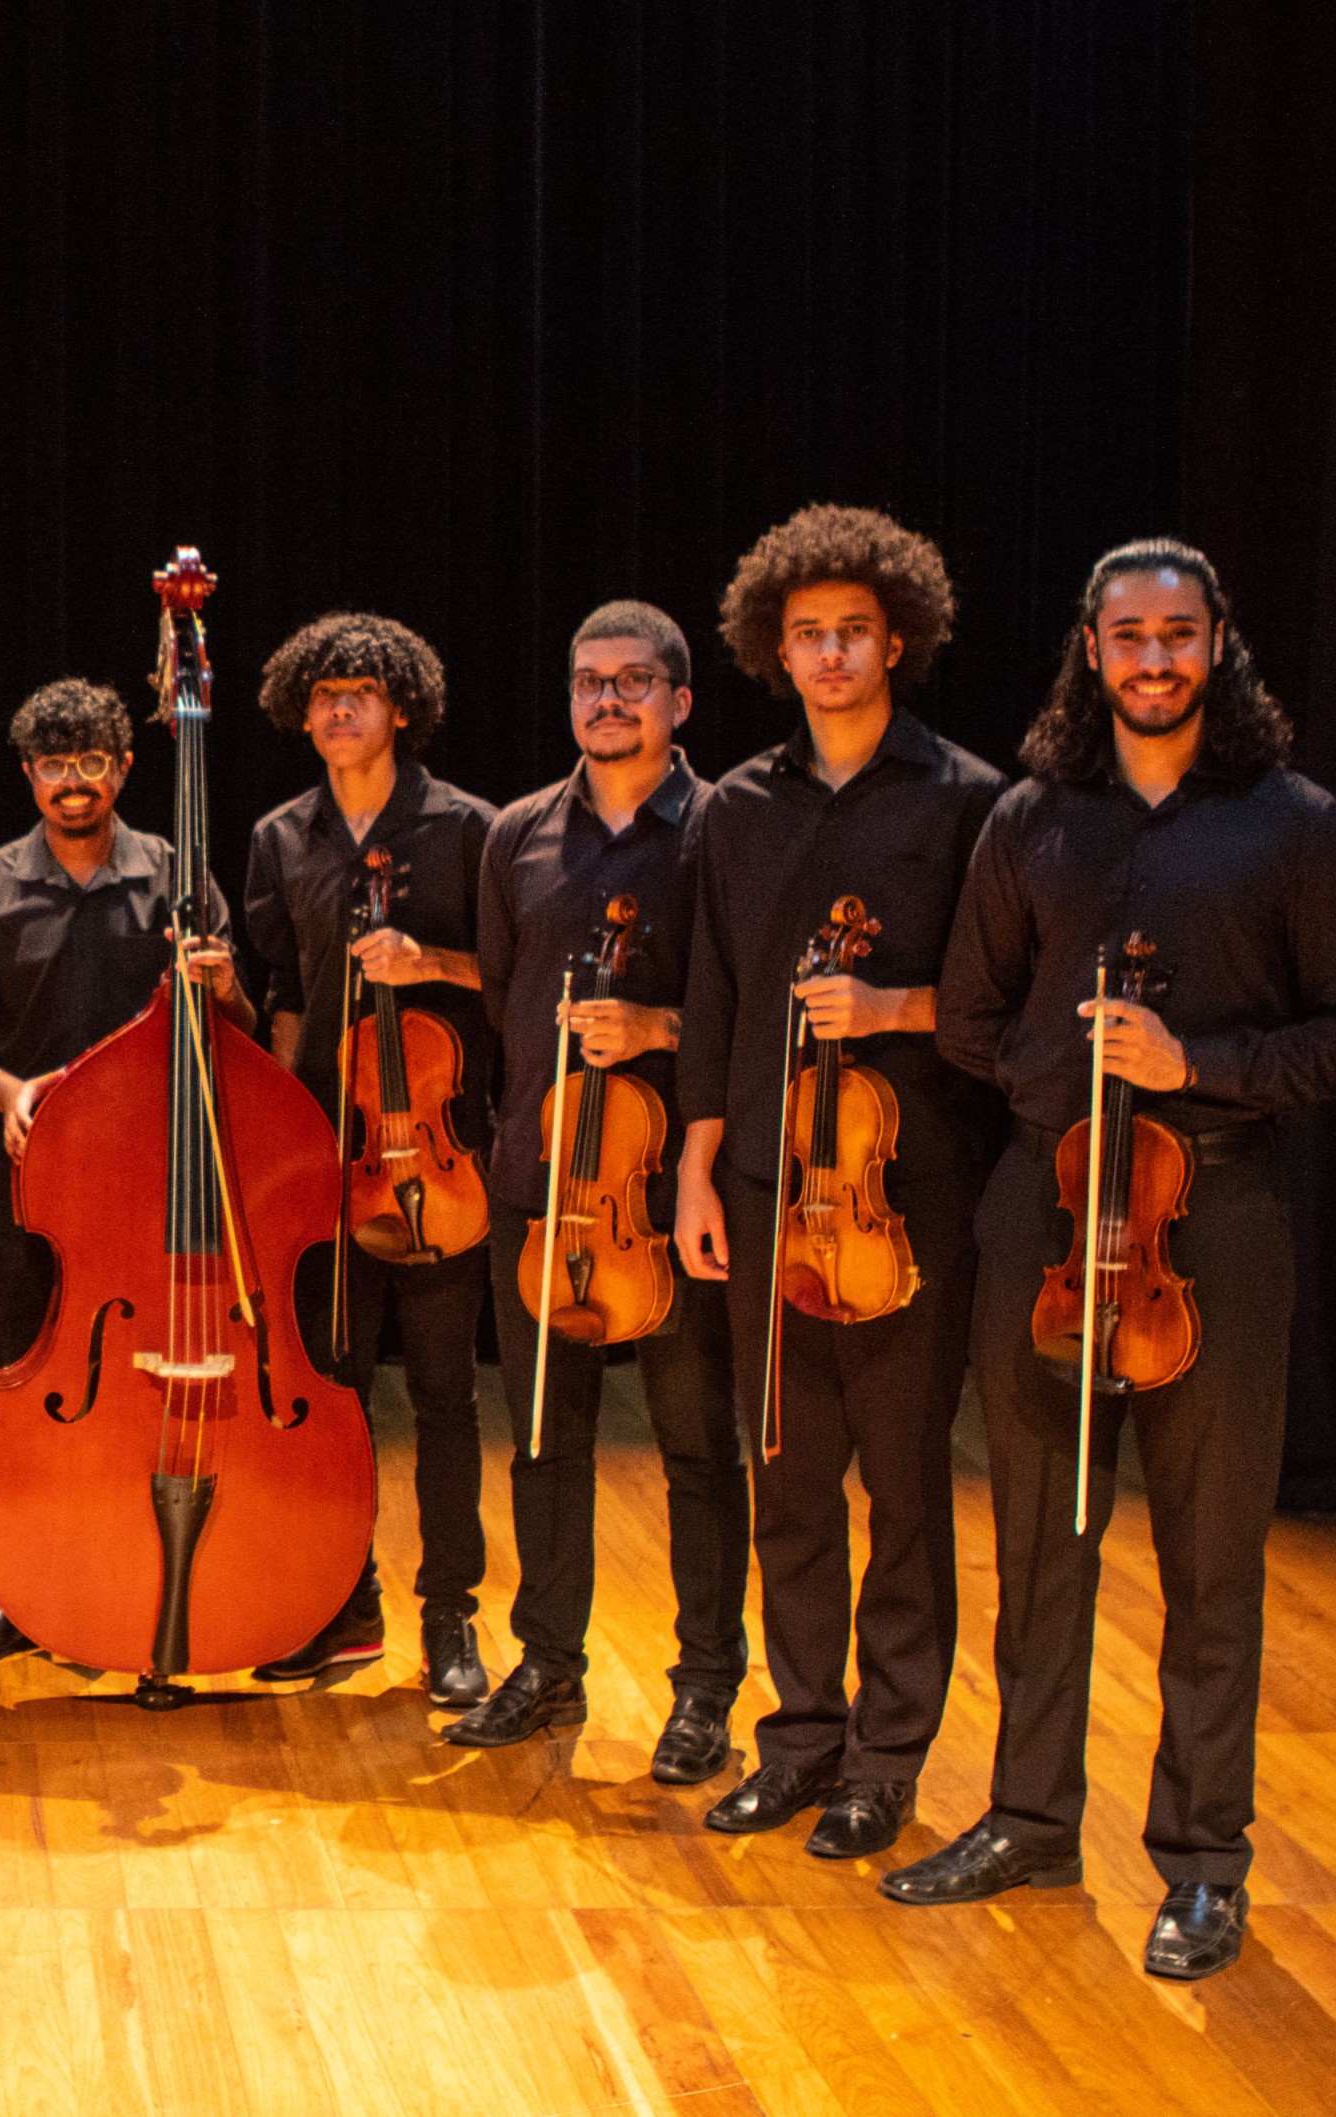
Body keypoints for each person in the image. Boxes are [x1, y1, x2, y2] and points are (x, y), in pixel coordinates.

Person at [892, 539, 1336, 1980]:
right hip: (1042, 1214)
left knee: (1208, 1555)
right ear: (1093, 649)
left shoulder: (1294, 824)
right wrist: (1069, 1085)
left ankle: (1203, 1862)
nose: (1156, 659)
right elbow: (971, 1019)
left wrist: (1200, 1062)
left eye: (1181, 634)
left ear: (1220, 642)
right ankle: (1031, 1816)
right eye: (1131, 636)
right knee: (1043, 1547)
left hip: (1216, 1226)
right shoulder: (1036, 816)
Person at [672, 504, 1004, 1859]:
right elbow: (710, 992)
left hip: (905, 1192)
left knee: (906, 1488)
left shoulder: (970, 799)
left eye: (853, 634)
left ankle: (888, 1757)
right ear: (774, 647)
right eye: (806, 636)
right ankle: (800, 1740)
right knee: (788, 1479)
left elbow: (997, 1000)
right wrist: (695, 1172)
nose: (829, 656)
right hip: (758, 1184)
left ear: (899, 639)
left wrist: (898, 1005)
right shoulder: (739, 807)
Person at [450, 602, 741, 1774]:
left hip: (669, 1192)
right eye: (587, 681)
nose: (606, 700)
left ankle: (705, 1682)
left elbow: (743, 1000)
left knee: (693, 1446)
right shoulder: (518, 831)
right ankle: (546, 1662)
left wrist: (659, 1025)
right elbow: (504, 996)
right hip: (540, 1179)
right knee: (540, 1438)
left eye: (632, 681)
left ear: (679, 699)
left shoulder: (726, 829)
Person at [0, 676, 247, 1666]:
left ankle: (129, 1560)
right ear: (28, 773)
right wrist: (11, 1091)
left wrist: (226, 983)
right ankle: (9, 1585)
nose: (72, 781)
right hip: (21, 1170)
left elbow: (232, 1038)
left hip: (155, 1178)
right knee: (20, 1370)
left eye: (91, 761)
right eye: (53, 764)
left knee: (135, 1377)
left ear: (123, 766)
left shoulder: (177, 876)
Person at [239, 612, 494, 1705]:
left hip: (431, 1156)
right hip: (326, 1156)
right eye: (321, 694)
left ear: (401, 707)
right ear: (301, 712)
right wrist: (283, 1120)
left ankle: (449, 1618)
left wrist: (424, 957)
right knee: (330, 1392)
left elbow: (510, 974)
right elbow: (287, 995)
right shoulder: (277, 837)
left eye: (361, 691)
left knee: (441, 1391)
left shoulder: (470, 827)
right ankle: (339, 1602)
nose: (339, 709)